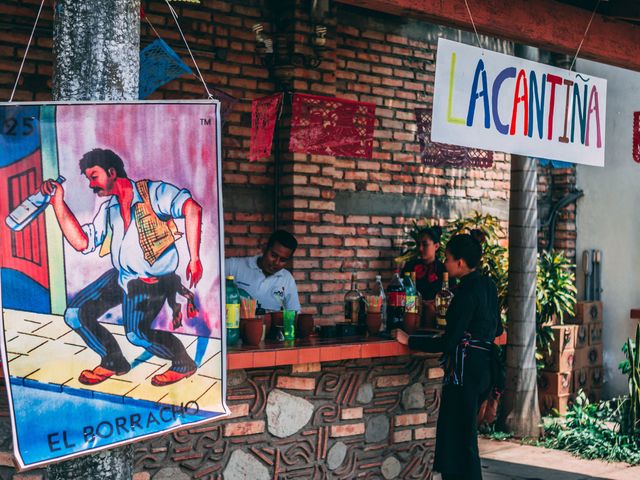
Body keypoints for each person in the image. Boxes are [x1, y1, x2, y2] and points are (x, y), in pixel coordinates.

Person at [40, 148, 202, 387]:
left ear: (112, 172)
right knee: (75, 314)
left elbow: (192, 209)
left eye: (93, 177)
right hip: (122, 275)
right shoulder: (109, 208)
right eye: (88, 179)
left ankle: (183, 363)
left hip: (151, 281)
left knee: (137, 335)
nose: (91, 185)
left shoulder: (153, 193)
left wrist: (194, 258)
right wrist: (58, 203)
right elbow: (82, 242)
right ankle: (113, 361)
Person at [393, 230, 503, 480]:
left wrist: (409, 339)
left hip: (464, 375)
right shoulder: (488, 285)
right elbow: (498, 328)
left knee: (460, 443)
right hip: (485, 369)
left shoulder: (464, 292)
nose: (445, 262)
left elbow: (449, 342)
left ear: (460, 262)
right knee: (464, 439)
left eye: (449, 258)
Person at [225, 230, 301, 312]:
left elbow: (294, 312)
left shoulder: (287, 279)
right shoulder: (232, 266)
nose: (276, 262)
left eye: (283, 260)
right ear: (264, 248)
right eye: (273, 255)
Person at [401, 225, 449, 301]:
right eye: (418, 244)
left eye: (425, 245)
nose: (420, 248)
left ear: (436, 246)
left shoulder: (443, 270)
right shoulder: (410, 266)